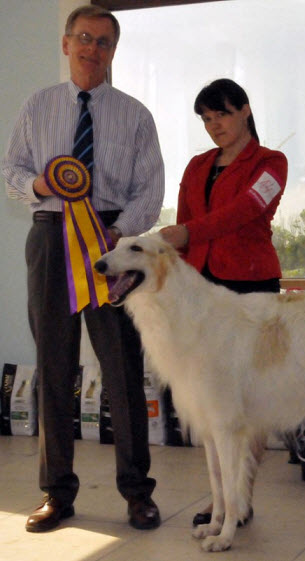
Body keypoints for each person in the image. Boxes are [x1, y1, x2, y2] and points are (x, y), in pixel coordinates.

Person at [2, 5, 164, 532]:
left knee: (122, 371)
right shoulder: (38, 106)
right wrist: (42, 186)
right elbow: (11, 170)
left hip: (113, 243)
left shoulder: (135, 114)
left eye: (104, 42)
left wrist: (119, 236)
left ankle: (138, 492)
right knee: (53, 366)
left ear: (113, 51)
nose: (93, 50)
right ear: (66, 44)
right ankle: (57, 493)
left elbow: (150, 189)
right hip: (51, 240)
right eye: (84, 39)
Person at [160, 78, 288, 526]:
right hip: (199, 292)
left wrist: (191, 233)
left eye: (223, 115)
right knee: (209, 400)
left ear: (246, 111)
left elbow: (248, 209)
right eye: (207, 119)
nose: (215, 126)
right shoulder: (197, 166)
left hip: (251, 287)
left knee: (247, 400)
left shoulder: (272, 163)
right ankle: (221, 498)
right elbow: (181, 226)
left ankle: (241, 500)